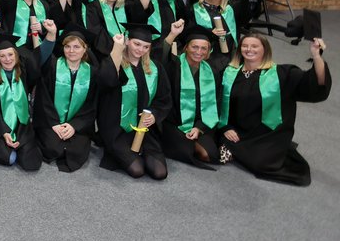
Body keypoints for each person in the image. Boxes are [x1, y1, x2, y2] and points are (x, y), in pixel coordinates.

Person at [219, 34, 330, 186]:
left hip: (267, 133)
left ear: (264, 50)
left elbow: (315, 84)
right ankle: (234, 147)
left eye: (254, 46)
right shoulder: (229, 73)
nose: (249, 49)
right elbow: (217, 102)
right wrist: (225, 127)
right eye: (245, 46)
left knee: (262, 163)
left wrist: (316, 56)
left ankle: (237, 151)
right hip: (236, 129)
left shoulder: (282, 74)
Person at [97, 23, 172, 179]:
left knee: (160, 173)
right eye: (137, 44)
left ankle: (141, 152)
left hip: (144, 129)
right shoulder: (115, 64)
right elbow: (106, 81)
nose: (140, 50)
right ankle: (126, 153)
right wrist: (116, 50)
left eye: (146, 46)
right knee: (137, 170)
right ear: (127, 41)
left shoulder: (155, 68)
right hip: (117, 128)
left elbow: (163, 99)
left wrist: (154, 115)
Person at [0, 30, 53, 172]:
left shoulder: (24, 69)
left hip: (22, 124)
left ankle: (24, 143)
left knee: (31, 164)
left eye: (10, 54)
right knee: (9, 158)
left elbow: (40, 56)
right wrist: (4, 132)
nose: (7, 59)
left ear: (16, 54)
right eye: (2, 56)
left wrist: (51, 35)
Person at [33, 26, 99, 172]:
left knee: (76, 151)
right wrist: (54, 123)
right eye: (67, 46)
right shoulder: (52, 66)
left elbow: (91, 106)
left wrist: (74, 125)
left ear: (84, 49)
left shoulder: (92, 72)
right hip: (51, 120)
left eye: (76, 47)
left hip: (77, 123)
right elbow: (43, 98)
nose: (71, 51)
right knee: (52, 147)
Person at [159, 23, 225, 168]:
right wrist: (172, 35)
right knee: (189, 150)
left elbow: (215, 103)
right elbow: (161, 58)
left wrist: (199, 128)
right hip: (174, 122)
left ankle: (195, 138)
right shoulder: (174, 65)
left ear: (208, 51)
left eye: (204, 48)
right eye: (195, 47)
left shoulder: (212, 72)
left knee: (209, 155)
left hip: (199, 122)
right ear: (186, 47)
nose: (199, 52)